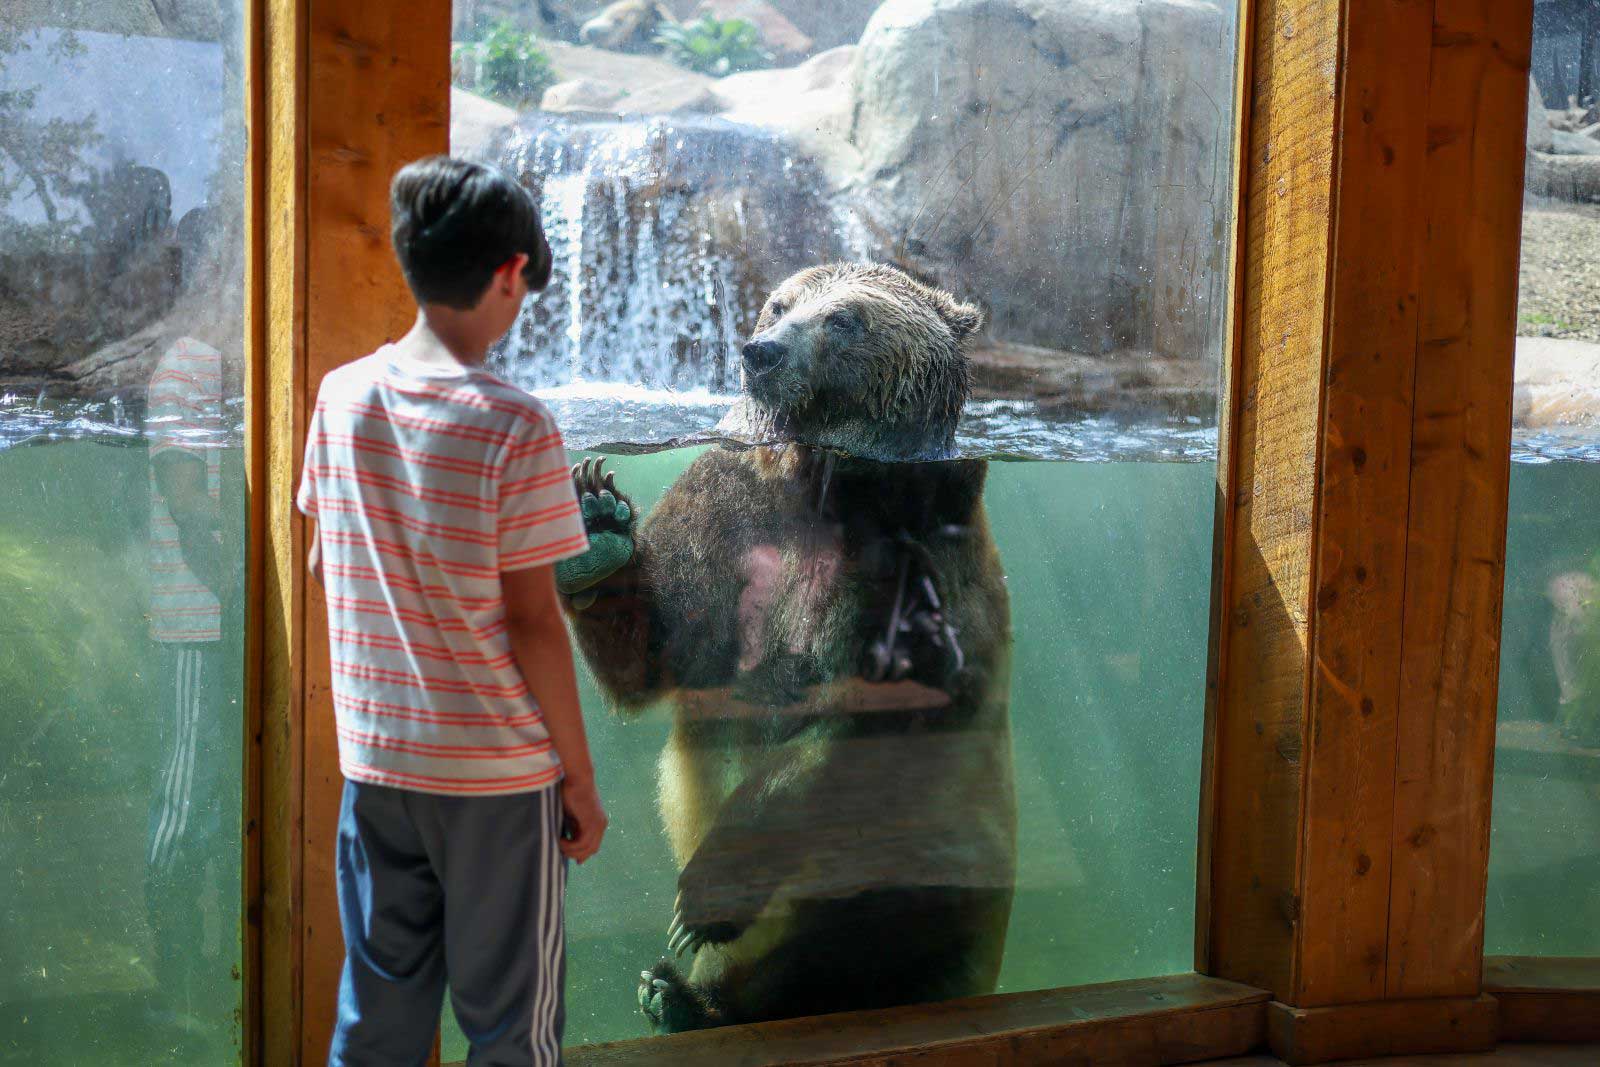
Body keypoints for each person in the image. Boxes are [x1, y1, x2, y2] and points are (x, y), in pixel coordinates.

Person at [296, 155, 607, 1067]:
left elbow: (326, 561)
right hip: (495, 782)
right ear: (510, 272)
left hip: (379, 765)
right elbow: (534, 621)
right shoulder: (516, 423)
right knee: (513, 1029)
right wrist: (580, 783)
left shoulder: (341, 394)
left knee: (378, 1018)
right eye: (523, 290)